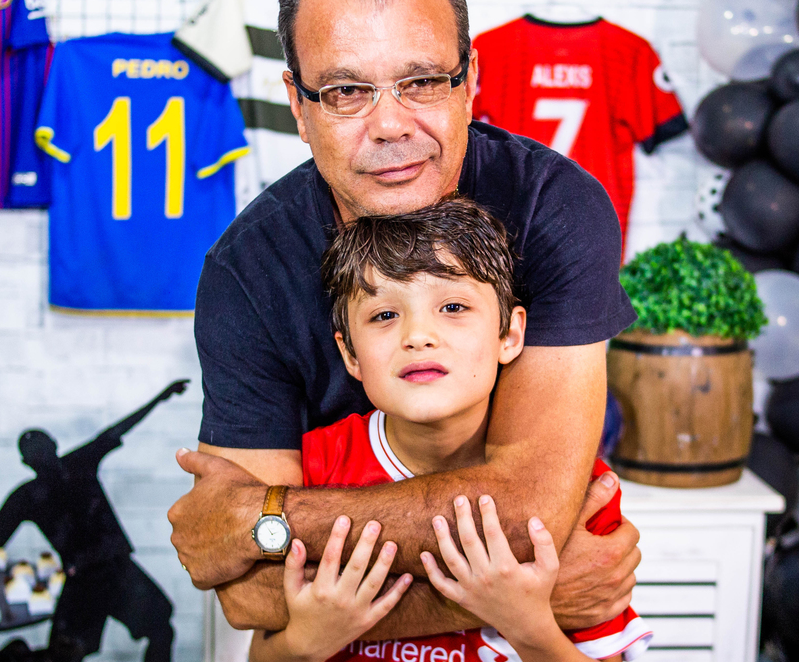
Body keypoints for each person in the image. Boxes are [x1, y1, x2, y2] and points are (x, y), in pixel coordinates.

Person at [168, 0, 641, 639]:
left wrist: (264, 518)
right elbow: (251, 596)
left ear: (470, 81)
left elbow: (525, 513)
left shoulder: (554, 206)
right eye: (346, 91)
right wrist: (522, 598)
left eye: (421, 82)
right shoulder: (246, 270)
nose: (390, 125)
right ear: (298, 106)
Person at [248, 200, 651, 662]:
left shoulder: (573, 488)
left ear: (509, 335)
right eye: (385, 315)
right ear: (351, 354)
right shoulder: (314, 469)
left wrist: (528, 625)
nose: (418, 336)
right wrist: (306, 642)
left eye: (453, 306)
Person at [0, 381, 188, 662]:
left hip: (114, 569)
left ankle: (13, 656)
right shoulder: (32, 494)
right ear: (29, 462)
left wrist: (160, 398)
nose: (43, 459)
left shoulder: (71, 468)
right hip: (88, 578)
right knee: (66, 652)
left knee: (158, 626)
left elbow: (117, 430)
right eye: (37, 455)